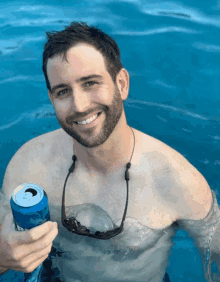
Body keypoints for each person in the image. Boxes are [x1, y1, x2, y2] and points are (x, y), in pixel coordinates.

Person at [0, 21, 219, 282]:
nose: (79, 105)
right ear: (51, 98)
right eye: (63, 91)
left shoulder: (179, 182)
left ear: (122, 84)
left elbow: (215, 261)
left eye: (91, 83)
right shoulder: (29, 166)